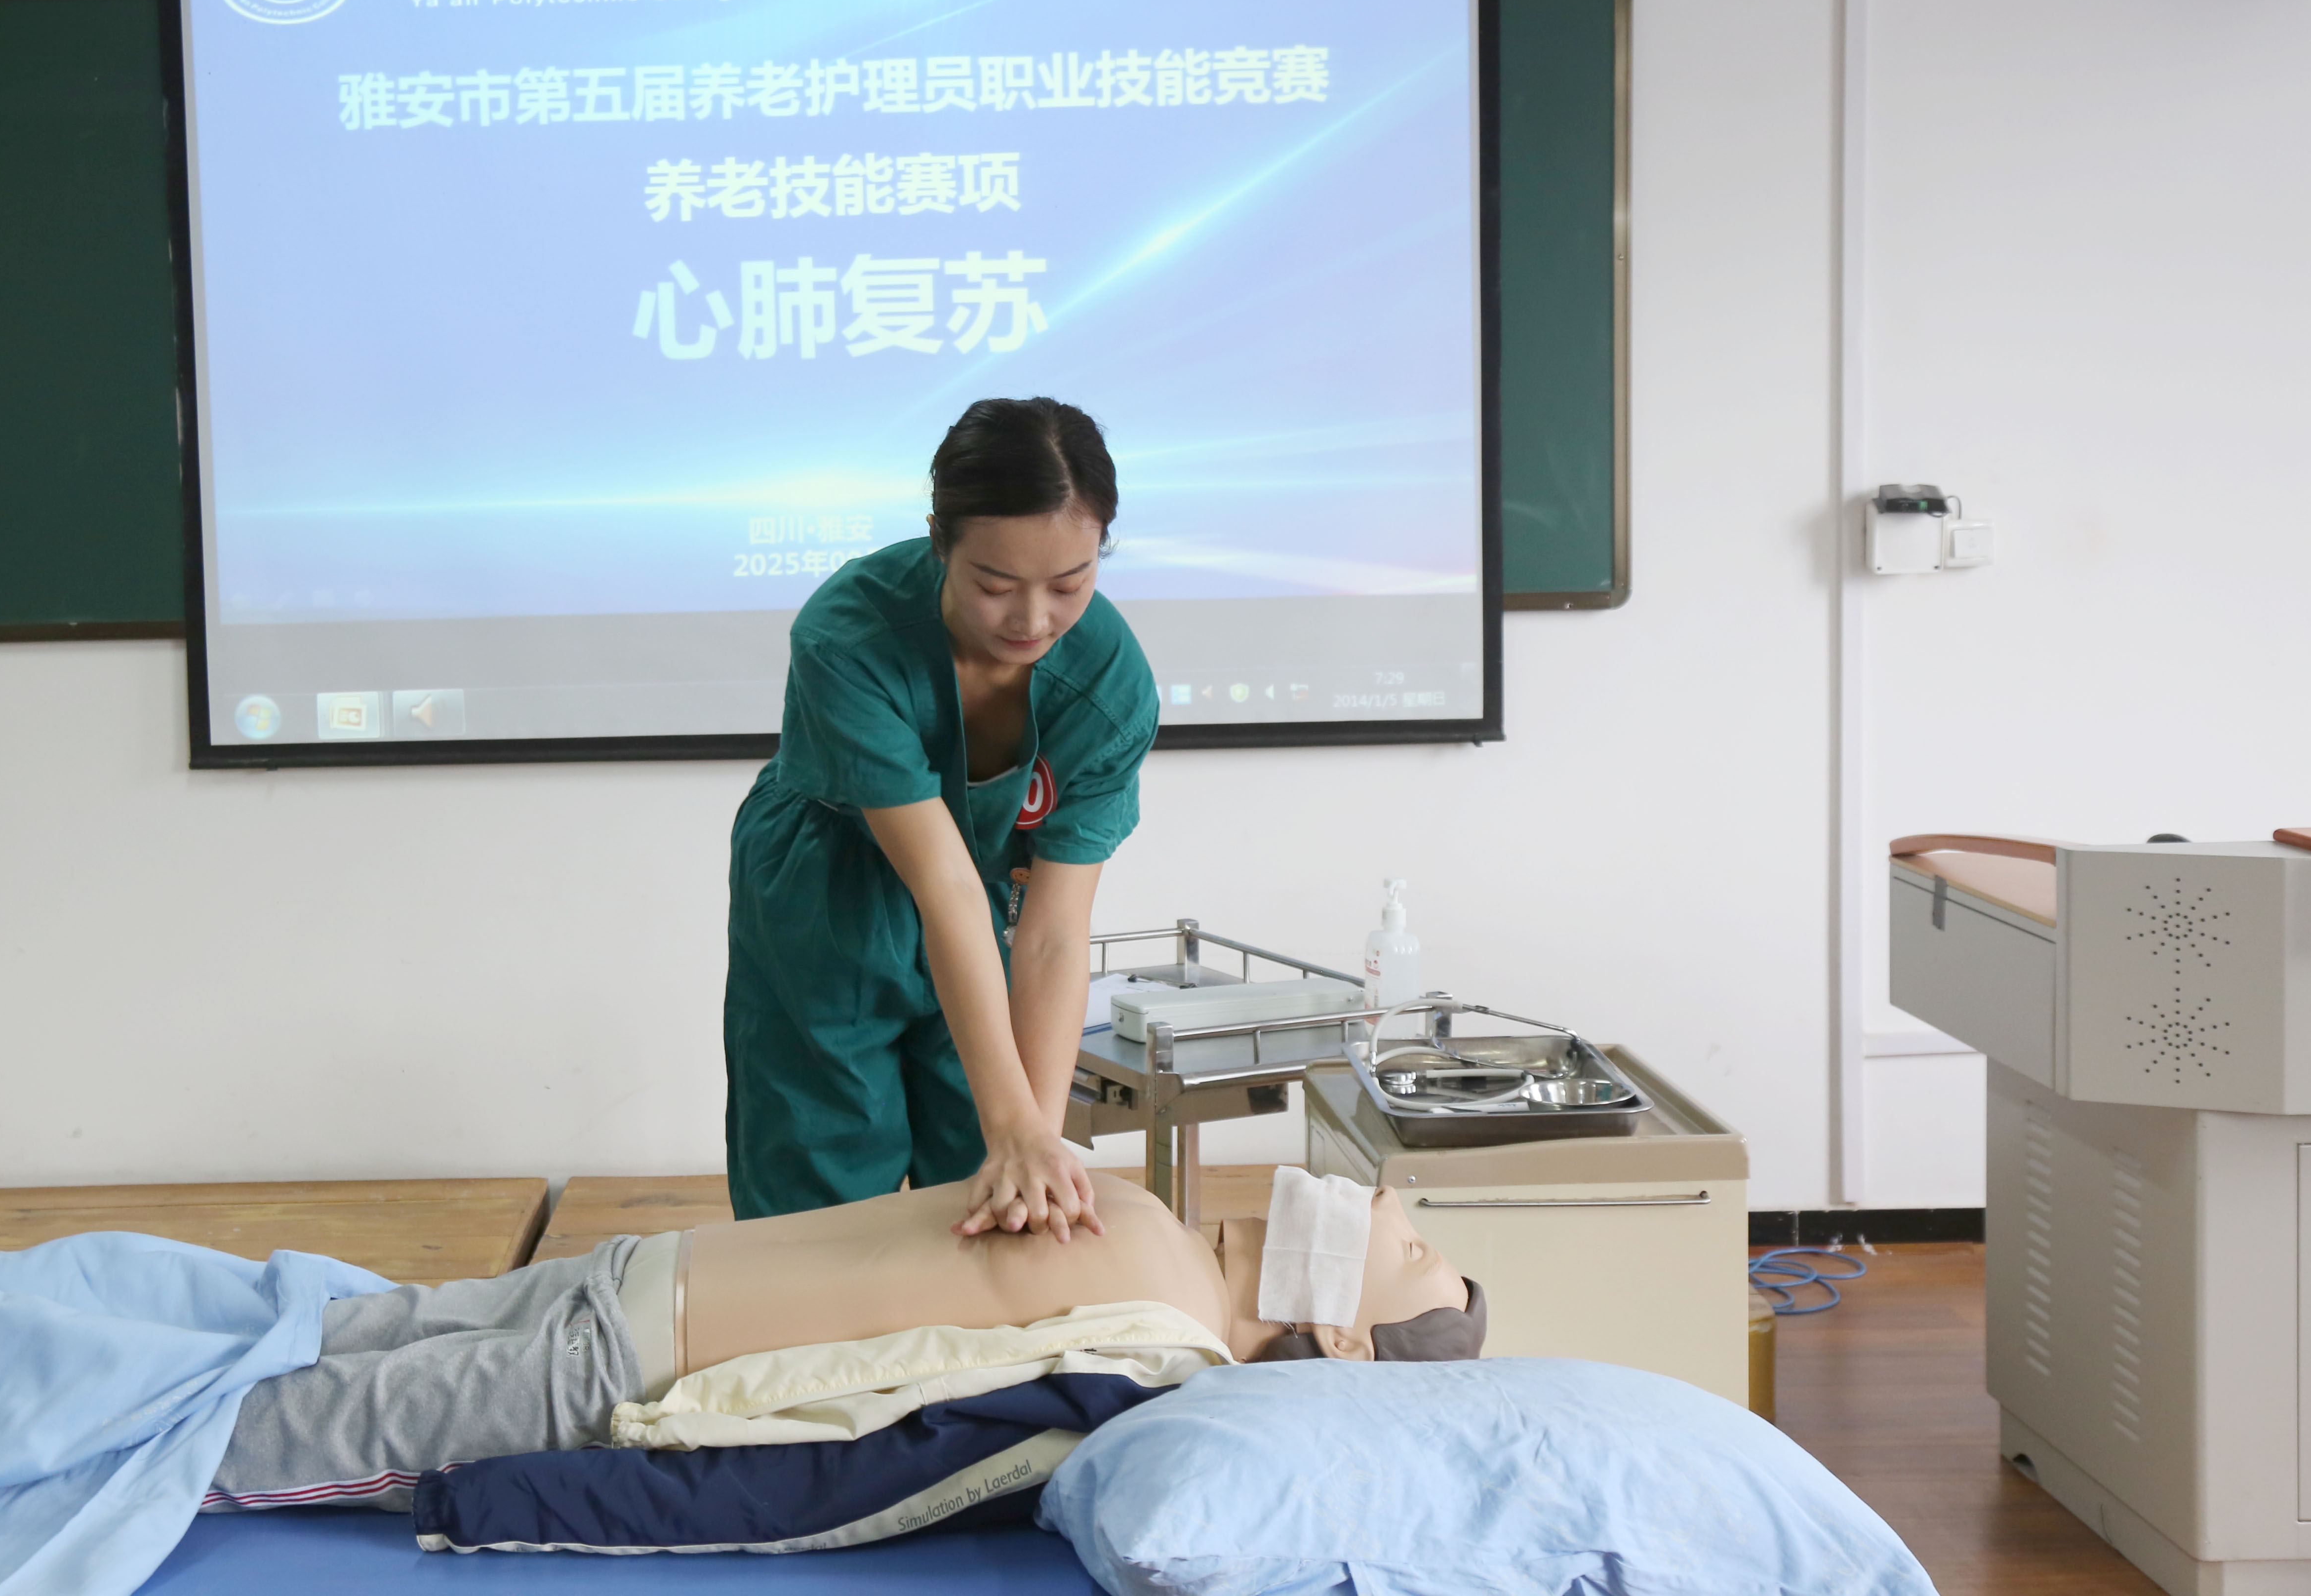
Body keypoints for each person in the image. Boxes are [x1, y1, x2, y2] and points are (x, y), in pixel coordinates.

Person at [208, 1172, 1479, 1511]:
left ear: (1341, 1338)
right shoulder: (1159, 1237)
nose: (1383, 1202)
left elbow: (901, 1451)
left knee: (230, 1442)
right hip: (620, 1276)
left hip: (608, 1375)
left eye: (1409, 1246)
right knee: (273, 1345)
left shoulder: (1164, 1349)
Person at [724, 398, 1160, 1240]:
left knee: (997, 1179)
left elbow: (1054, 933)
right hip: (829, 891)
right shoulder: (849, 636)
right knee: (822, 1186)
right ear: (939, 540)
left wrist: (1034, 1137)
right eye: (995, 585)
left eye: (1069, 585)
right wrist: (1016, 1127)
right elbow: (942, 883)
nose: (1033, 621)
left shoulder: (1110, 683)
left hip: (993, 898)